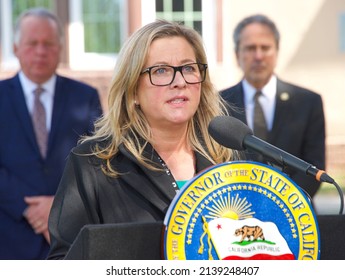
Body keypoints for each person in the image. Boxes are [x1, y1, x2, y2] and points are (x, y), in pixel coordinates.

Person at [47, 19, 243, 259]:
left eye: (189, 68)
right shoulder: (94, 163)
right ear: (133, 91)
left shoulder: (226, 160)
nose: (179, 81)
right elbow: (62, 261)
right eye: (161, 70)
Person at [0, 8, 102, 259]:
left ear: (60, 48)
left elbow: (98, 159)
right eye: (32, 43)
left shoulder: (85, 97)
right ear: (15, 47)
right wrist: (28, 208)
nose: (40, 51)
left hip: (69, 237)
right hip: (9, 237)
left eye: (48, 44)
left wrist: (57, 207)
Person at [221, 14, 326, 199]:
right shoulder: (218, 103)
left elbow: (314, 166)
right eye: (250, 48)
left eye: (265, 48)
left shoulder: (308, 102)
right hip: (234, 210)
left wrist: (281, 205)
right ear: (237, 54)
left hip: (295, 213)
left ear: (276, 52)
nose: (259, 56)